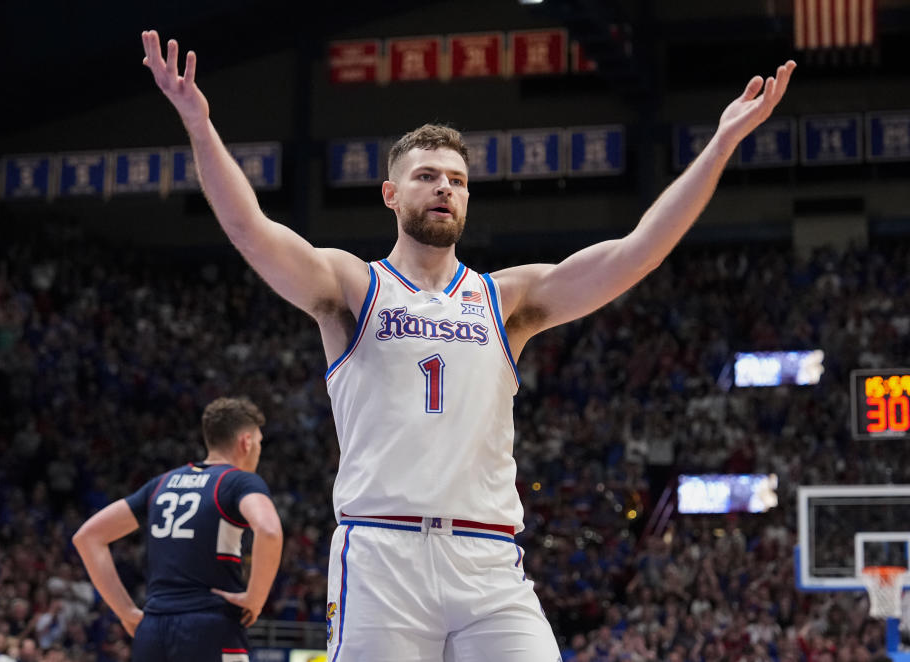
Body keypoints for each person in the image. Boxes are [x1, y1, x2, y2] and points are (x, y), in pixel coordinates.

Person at [140, 29, 795, 662]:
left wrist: (721, 142)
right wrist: (200, 127)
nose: (444, 187)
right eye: (426, 176)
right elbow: (251, 233)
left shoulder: (506, 300)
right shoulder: (353, 285)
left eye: (456, 178)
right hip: (383, 552)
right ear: (392, 194)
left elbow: (637, 253)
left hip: (487, 560)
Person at [72, 396, 283, 662]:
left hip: (154, 630)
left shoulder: (162, 483)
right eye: (260, 444)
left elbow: (88, 537)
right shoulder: (239, 481)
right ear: (247, 442)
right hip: (210, 626)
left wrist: (126, 611)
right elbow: (269, 530)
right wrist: (255, 598)